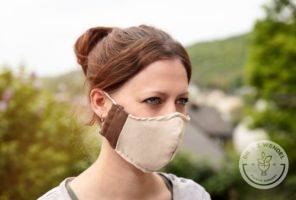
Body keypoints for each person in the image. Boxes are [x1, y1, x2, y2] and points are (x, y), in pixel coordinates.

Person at [38, 24, 211, 200]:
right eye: (153, 100)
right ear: (100, 102)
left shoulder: (194, 196)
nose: (172, 115)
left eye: (181, 100)